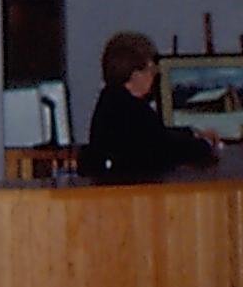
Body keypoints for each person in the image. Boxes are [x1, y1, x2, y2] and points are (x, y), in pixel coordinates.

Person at [81, 31, 220, 180]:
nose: (154, 76)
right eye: (151, 70)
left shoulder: (112, 100)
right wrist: (204, 145)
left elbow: (156, 137)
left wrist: (192, 133)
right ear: (135, 75)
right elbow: (165, 150)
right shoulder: (132, 110)